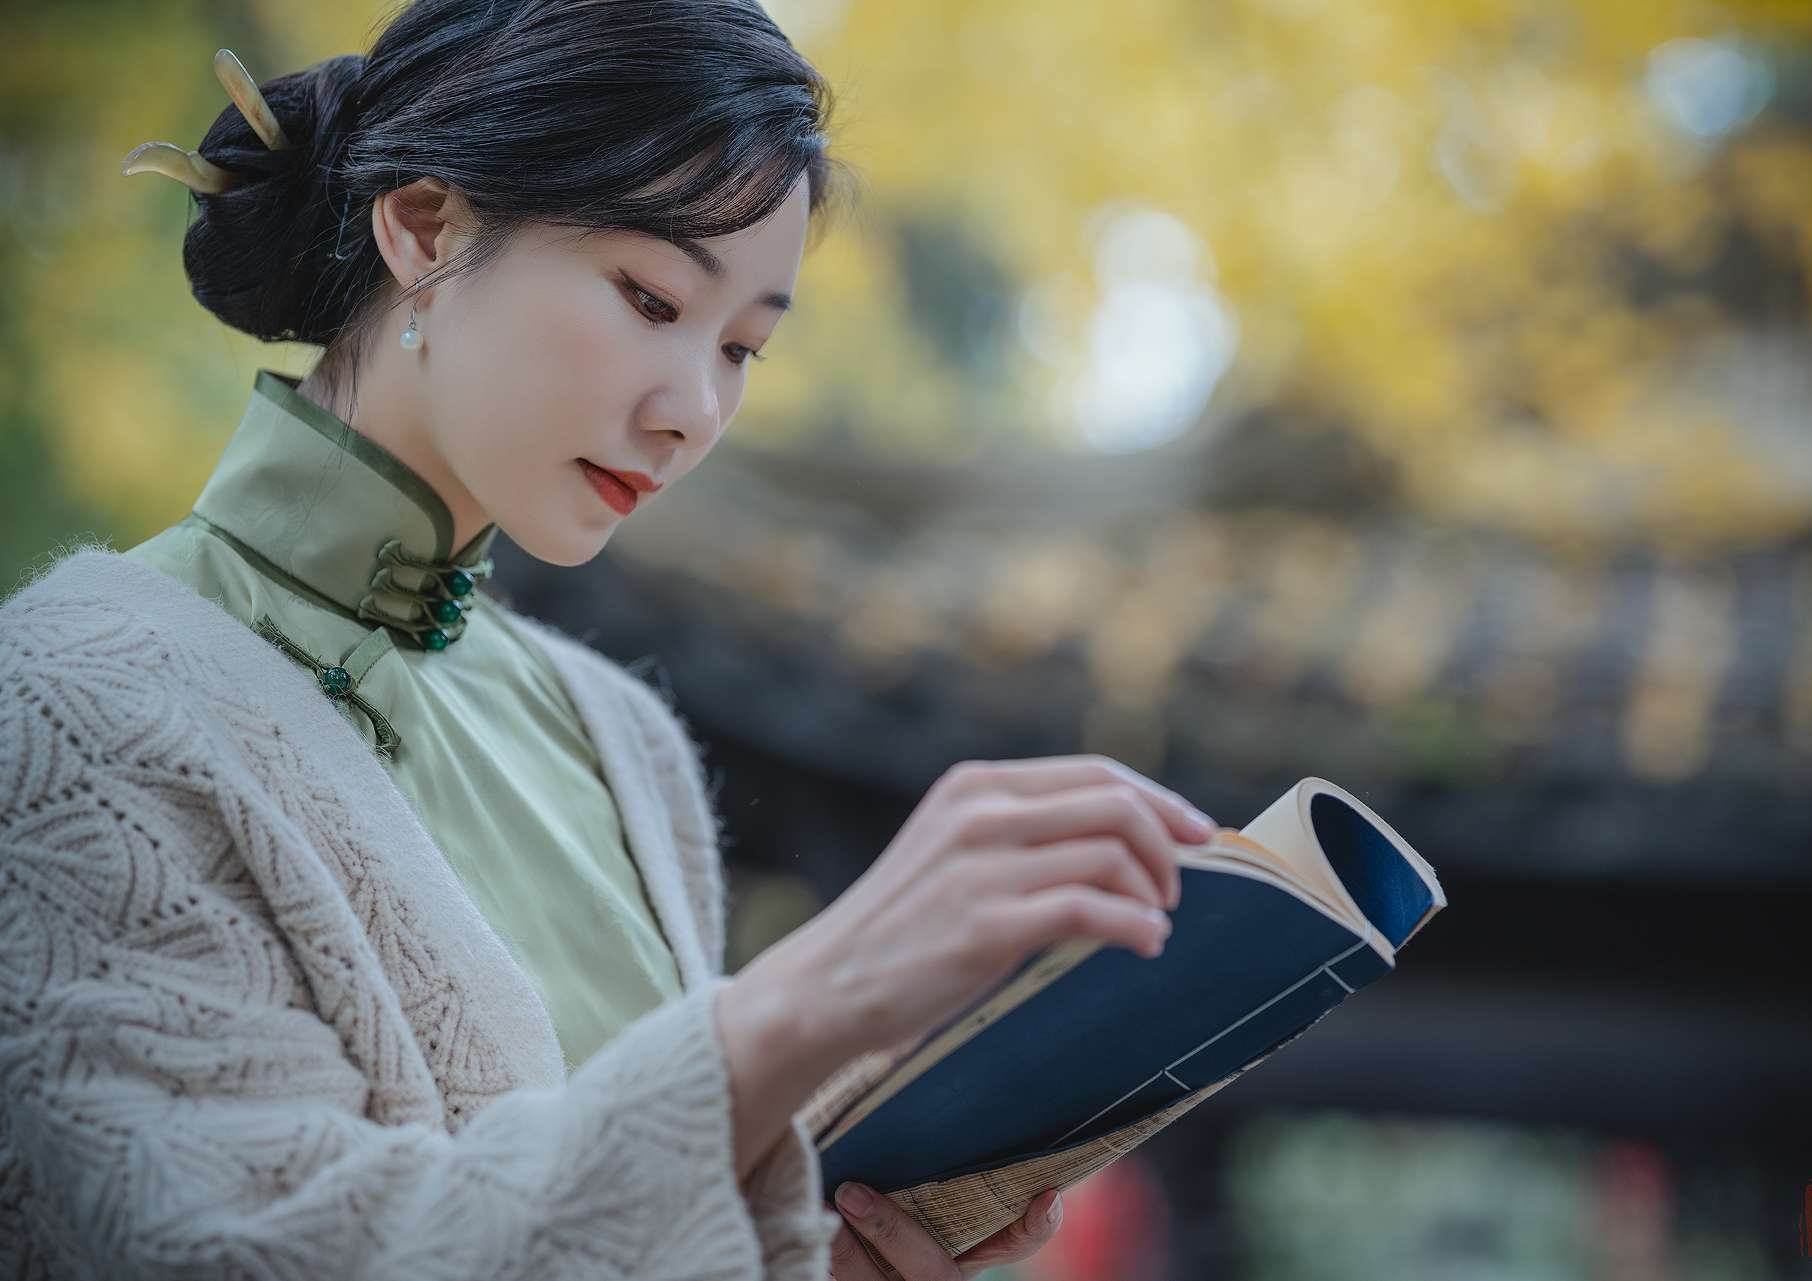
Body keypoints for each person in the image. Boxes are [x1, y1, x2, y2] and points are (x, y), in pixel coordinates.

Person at [0, 2, 1219, 1277]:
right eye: (651, 298)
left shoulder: (616, 738)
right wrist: (797, 1008)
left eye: (743, 345)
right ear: (425, 227)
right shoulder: (70, 700)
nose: (694, 409)